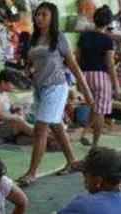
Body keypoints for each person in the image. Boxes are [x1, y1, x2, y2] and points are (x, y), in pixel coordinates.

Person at [18, 2, 94, 186]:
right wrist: (26, 71)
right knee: (56, 126)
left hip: (57, 87)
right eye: (38, 15)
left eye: (44, 15)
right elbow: (29, 64)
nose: (39, 18)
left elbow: (73, 65)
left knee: (41, 128)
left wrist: (86, 91)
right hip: (39, 88)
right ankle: (72, 161)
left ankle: (31, 173)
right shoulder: (33, 40)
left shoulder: (59, 38)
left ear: (53, 18)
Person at [77, 6, 120, 148]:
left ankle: (83, 134)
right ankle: (95, 145)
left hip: (84, 76)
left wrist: (78, 79)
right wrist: (116, 85)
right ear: (108, 23)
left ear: (94, 19)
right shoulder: (107, 41)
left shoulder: (83, 37)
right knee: (100, 111)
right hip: (100, 77)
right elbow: (110, 64)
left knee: (94, 108)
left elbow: (77, 58)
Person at [0, 70, 35, 142]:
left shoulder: (3, 94)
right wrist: (13, 117)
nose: (13, 86)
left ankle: (43, 136)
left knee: (23, 133)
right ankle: (46, 136)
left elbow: (7, 109)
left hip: (3, 124)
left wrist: (16, 109)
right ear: (3, 83)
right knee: (21, 124)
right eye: (11, 83)